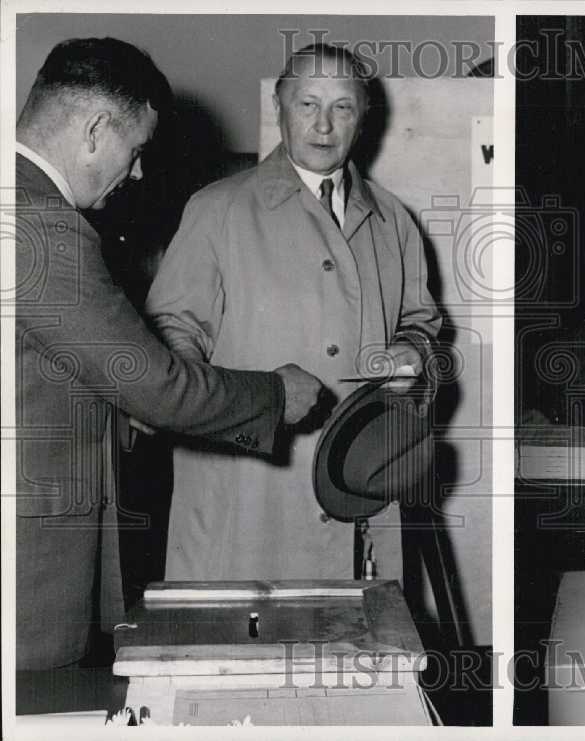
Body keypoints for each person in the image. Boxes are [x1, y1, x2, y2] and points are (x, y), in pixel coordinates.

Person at [14, 37, 325, 670]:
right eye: (135, 152)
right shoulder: (40, 223)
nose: (136, 173)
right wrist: (275, 394)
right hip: (26, 569)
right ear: (96, 129)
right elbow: (156, 385)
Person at [145, 43, 441, 582]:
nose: (324, 125)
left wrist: (412, 351)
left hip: (358, 477)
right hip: (249, 492)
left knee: (352, 651)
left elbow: (422, 322)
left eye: (342, 107)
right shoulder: (217, 209)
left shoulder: (393, 220)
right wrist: (215, 407)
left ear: (363, 117)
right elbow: (173, 339)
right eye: (307, 104)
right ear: (278, 109)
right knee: (245, 651)